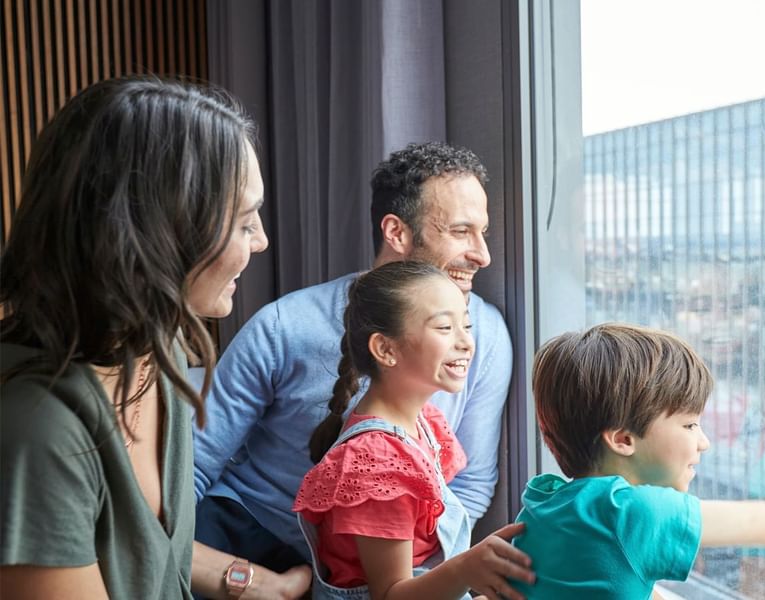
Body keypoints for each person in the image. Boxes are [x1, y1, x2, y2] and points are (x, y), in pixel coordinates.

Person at [0, 76, 288, 599]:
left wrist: (245, 582)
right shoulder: (38, 432)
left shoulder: (159, 349)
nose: (263, 240)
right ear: (162, 229)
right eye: (245, 221)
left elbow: (141, 554)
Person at [192, 142, 513, 595]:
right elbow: (190, 469)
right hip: (253, 541)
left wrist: (423, 571)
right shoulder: (284, 327)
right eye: (461, 231)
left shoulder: (486, 335)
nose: (482, 255)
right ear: (396, 232)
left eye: (482, 232)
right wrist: (241, 580)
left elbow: (472, 481)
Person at [293, 260, 534, 600]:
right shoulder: (378, 461)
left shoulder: (425, 423)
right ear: (386, 349)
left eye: (466, 325)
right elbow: (392, 595)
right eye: (445, 328)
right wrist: (467, 569)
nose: (466, 342)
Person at [510, 323, 765, 599]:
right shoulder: (634, 513)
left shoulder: (544, 500)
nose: (705, 442)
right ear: (623, 440)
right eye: (690, 425)